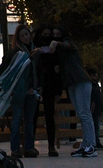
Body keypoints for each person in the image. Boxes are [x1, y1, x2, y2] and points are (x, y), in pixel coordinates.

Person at [50, 24, 97, 158]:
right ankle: (87, 144)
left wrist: (56, 43)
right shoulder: (64, 51)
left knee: (84, 114)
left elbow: (67, 45)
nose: (55, 37)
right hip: (73, 83)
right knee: (82, 114)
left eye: (57, 34)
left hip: (80, 81)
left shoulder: (67, 44)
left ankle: (91, 145)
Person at [6, 23, 40, 157]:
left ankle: (29, 147)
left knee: (29, 120)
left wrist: (36, 87)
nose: (26, 37)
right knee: (17, 119)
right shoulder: (17, 52)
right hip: (20, 91)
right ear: (18, 38)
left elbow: (36, 71)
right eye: (22, 35)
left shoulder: (34, 50)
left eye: (27, 34)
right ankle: (15, 148)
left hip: (32, 90)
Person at [34, 27, 63, 156]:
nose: (46, 37)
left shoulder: (53, 49)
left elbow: (57, 70)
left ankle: (51, 146)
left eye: (48, 34)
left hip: (49, 84)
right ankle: (31, 145)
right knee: (33, 116)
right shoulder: (35, 47)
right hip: (38, 83)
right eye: (44, 34)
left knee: (49, 116)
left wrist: (58, 90)